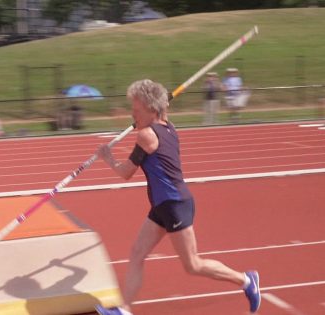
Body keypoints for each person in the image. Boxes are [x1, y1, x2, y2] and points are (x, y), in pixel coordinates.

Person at [94, 79, 260, 315]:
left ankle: (246, 280)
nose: (133, 114)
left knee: (192, 265)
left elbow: (126, 173)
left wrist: (107, 156)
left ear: (151, 109)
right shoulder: (168, 126)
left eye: (136, 110)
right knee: (137, 252)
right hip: (162, 206)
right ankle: (124, 310)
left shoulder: (147, 136)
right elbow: (161, 112)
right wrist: (156, 107)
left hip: (174, 205)